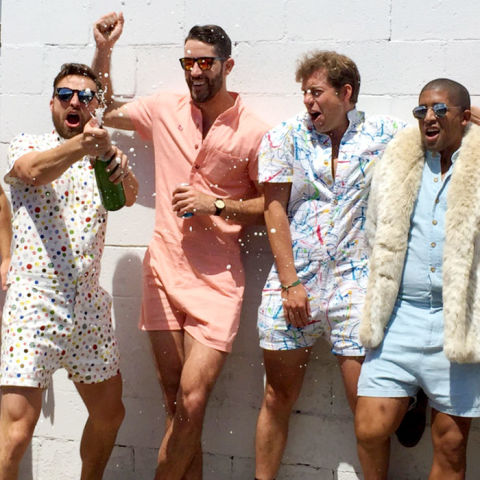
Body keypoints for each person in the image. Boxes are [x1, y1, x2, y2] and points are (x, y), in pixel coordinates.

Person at [92, 12, 269, 479]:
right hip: (162, 271)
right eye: (188, 62)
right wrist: (104, 51)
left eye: (205, 63)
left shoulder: (253, 130)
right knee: (174, 401)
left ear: (227, 66)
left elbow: (270, 207)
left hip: (218, 282)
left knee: (192, 400)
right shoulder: (164, 109)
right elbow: (103, 109)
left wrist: (216, 205)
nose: (195, 71)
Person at [254, 50, 405, 480]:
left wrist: (466, 116)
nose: (308, 101)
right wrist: (290, 283)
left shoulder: (384, 133)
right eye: (305, 92)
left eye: (316, 92)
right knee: (277, 397)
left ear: (346, 93)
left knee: (367, 409)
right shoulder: (285, 136)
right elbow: (273, 210)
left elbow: (438, 129)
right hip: (294, 278)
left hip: (356, 284)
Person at [0, 62, 138, 480]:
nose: (74, 101)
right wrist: (84, 146)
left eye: (85, 96)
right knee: (16, 432)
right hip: (34, 303)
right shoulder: (29, 144)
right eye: (65, 94)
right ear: (52, 103)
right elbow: (32, 172)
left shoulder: (103, 155)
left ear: (95, 106)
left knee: (110, 414)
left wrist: (118, 166)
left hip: (89, 306)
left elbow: (128, 198)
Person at [355, 78, 480, 479]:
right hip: (400, 318)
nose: (429, 117)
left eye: (440, 109)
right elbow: (376, 228)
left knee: (451, 446)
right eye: (421, 109)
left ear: (464, 117)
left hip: (458, 324)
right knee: (369, 428)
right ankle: (413, 397)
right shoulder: (398, 160)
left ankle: (420, 394)